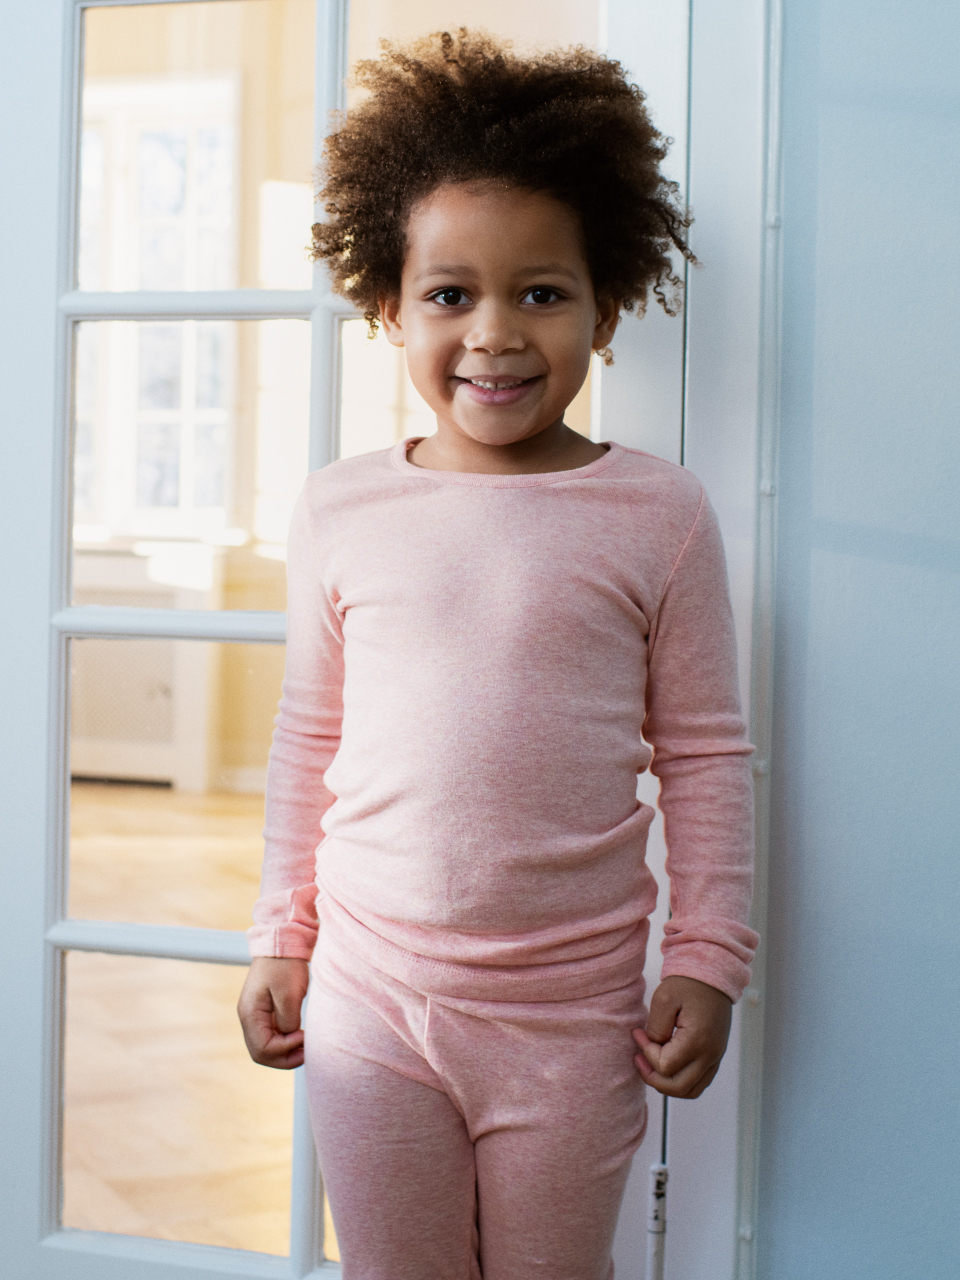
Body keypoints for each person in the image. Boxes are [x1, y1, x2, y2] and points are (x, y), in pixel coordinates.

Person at [237, 30, 758, 1280]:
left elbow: (704, 754)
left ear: (607, 307)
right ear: (387, 304)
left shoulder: (663, 514)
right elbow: (311, 735)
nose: (494, 334)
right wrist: (280, 933)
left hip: (572, 1015)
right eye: (449, 294)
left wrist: (709, 957)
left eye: (541, 292)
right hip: (369, 999)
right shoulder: (339, 508)